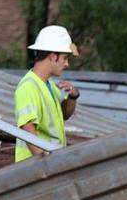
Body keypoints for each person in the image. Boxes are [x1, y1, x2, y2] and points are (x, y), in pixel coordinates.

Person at [14, 25, 79, 162]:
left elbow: (65, 115)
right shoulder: (28, 87)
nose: (67, 64)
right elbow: (28, 130)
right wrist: (47, 165)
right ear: (53, 56)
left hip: (48, 163)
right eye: (65, 58)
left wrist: (73, 96)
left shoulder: (47, 84)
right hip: (33, 167)